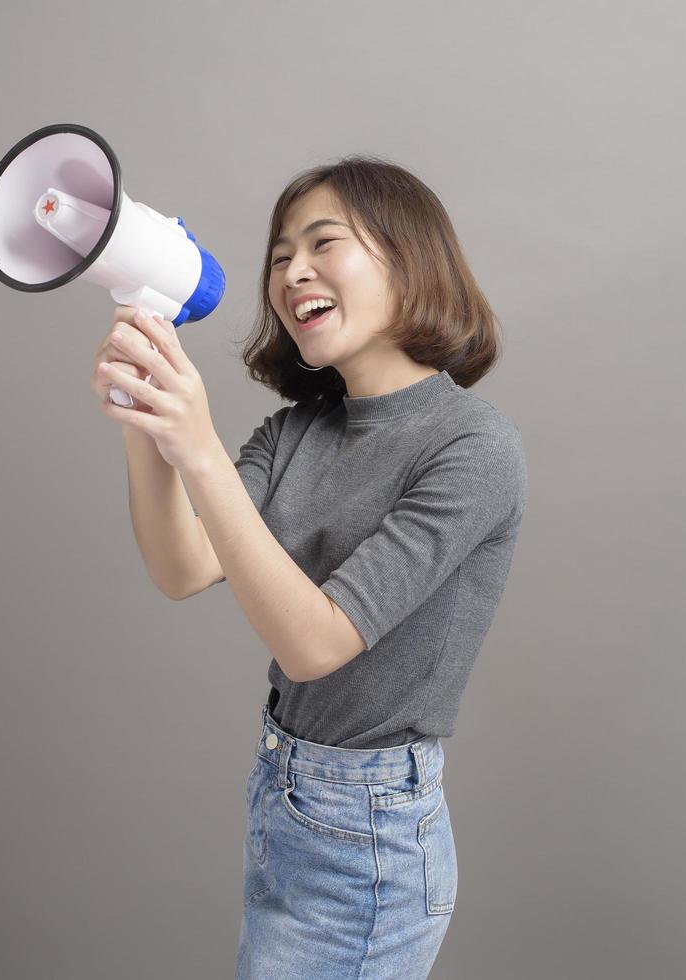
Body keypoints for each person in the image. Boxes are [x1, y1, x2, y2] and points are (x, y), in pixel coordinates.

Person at [91, 156, 528, 979]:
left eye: (324, 243)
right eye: (280, 254)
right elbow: (183, 565)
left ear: (410, 260)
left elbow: (316, 644)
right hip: (284, 797)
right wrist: (142, 424)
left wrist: (199, 449)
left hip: (371, 835)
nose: (292, 272)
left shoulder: (474, 448)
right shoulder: (297, 433)